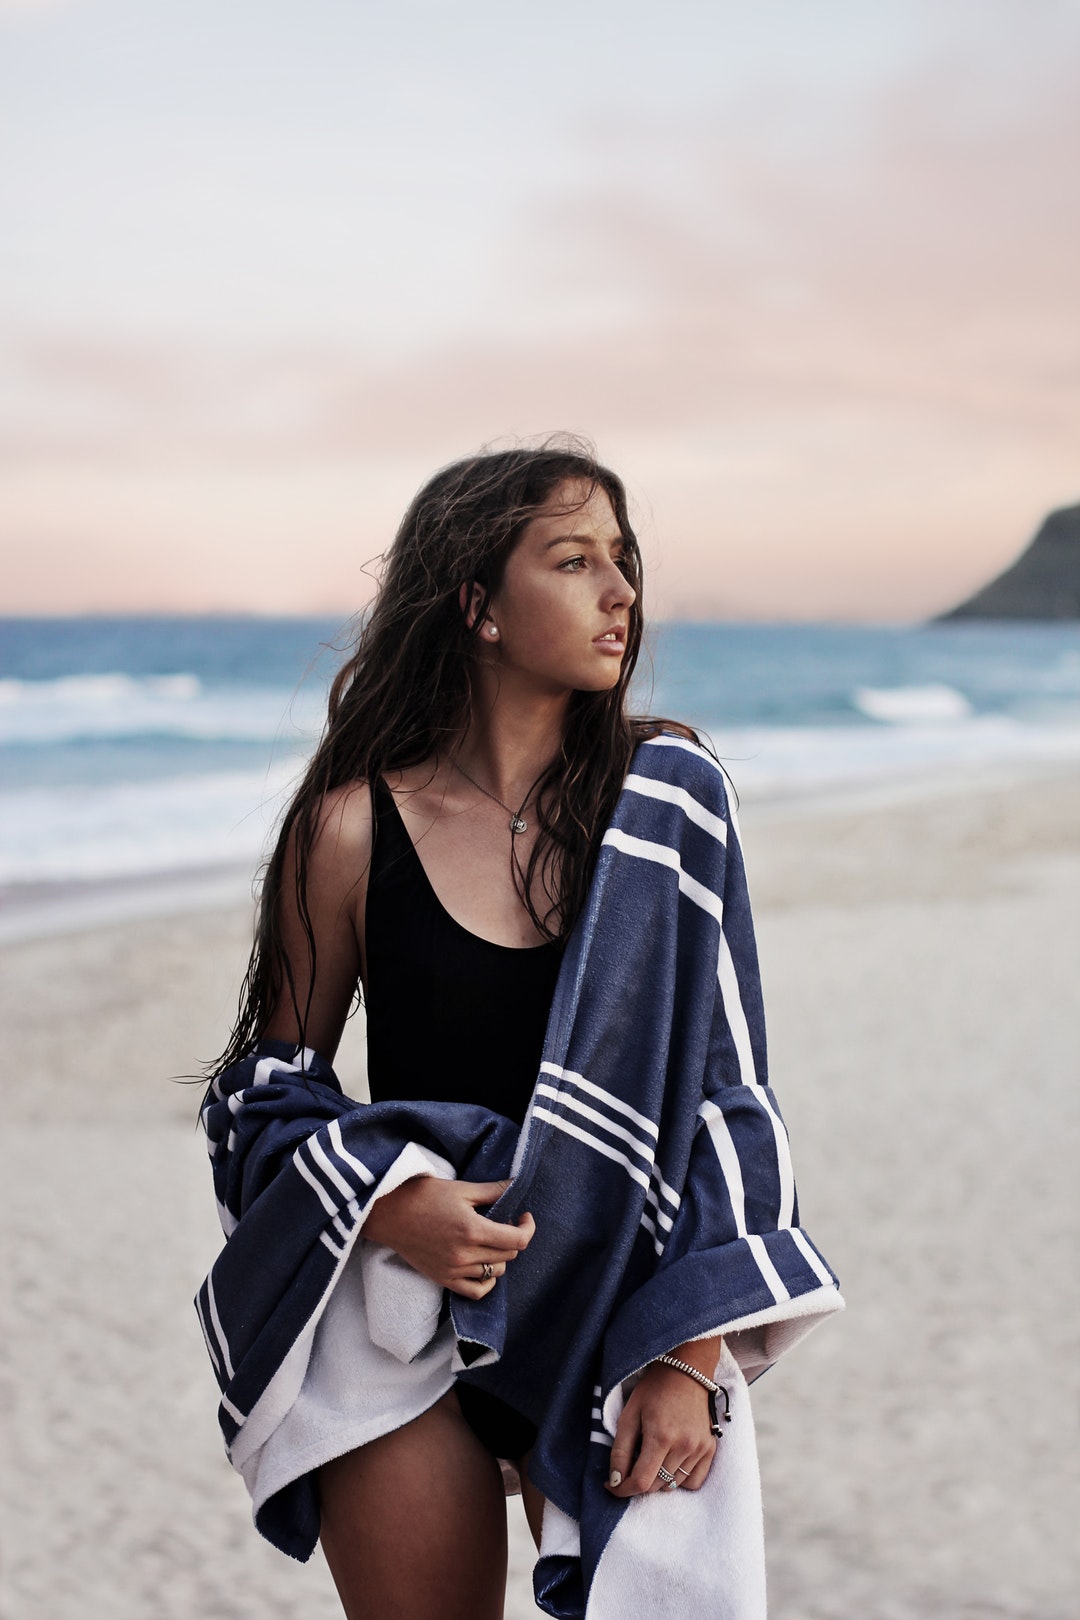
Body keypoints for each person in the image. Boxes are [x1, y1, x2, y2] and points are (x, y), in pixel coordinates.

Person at [198, 440, 842, 1620]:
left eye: (624, 561)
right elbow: (262, 1087)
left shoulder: (669, 802)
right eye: (574, 560)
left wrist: (689, 1360)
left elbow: (727, 1092)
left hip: (619, 1303)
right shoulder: (349, 828)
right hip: (402, 1312)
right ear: (478, 605)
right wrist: (391, 1207)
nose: (622, 594)